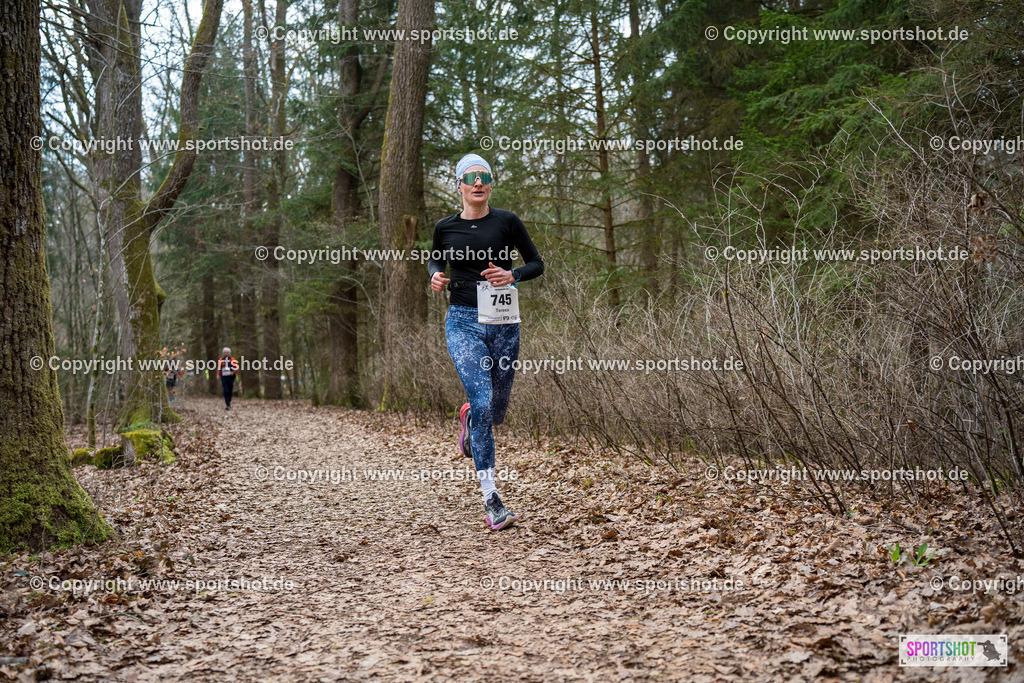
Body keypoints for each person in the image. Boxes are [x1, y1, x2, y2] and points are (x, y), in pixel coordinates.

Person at [427, 153, 544, 531]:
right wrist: (435, 276)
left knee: (495, 411)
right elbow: (434, 261)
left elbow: (536, 263)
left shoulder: (507, 222)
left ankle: (470, 420)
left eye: (484, 176)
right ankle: (492, 499)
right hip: (463, 322)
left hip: (504, 323)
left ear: (490, 184)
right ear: (459, 185)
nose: (478, 182)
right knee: (481, 399)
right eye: (470, 177)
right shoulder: (445, 227)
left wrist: (513, 276)